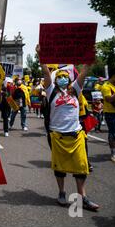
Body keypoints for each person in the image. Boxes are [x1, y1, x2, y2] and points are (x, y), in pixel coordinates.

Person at [37, 44, 99, 211]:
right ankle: (62, 192)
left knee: (81, 166)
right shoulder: (51, 91)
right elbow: (46, 73)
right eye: (60, 76)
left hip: (76, 134)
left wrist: (90, 58)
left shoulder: (75, 91)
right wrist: (41, 56)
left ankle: (82, 197)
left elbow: (85, 72)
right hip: (57, 136)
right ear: (56, 80)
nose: (63, 78)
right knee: (60, 167)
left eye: (66, 76)